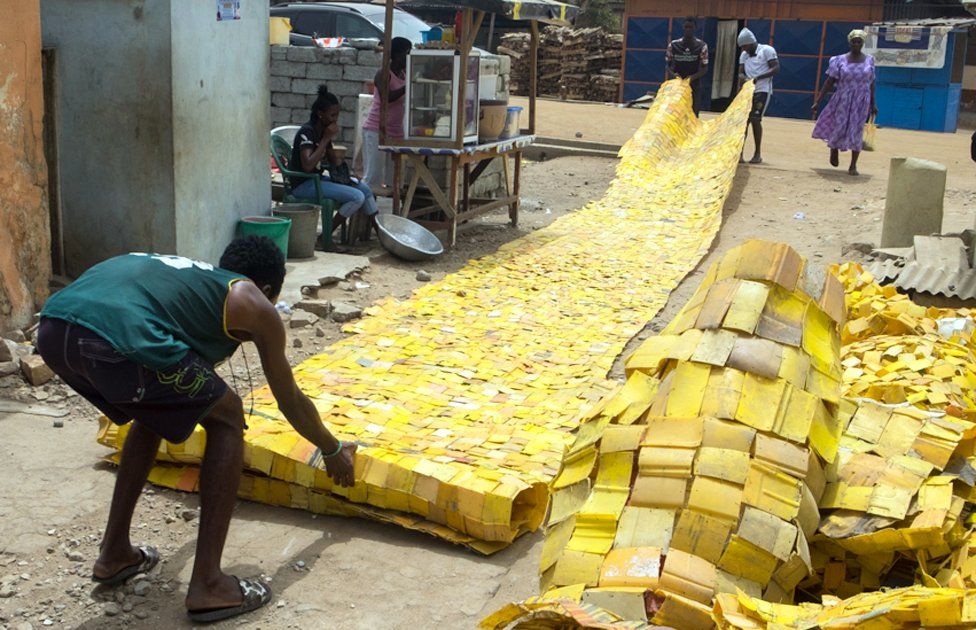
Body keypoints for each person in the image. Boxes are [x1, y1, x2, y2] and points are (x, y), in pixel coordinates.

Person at [35, 237, 357, 623]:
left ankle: (114, 553)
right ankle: (208, 584)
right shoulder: (251, 298)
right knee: (227, 417)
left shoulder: (190, 281)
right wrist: (332, 447)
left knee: (153, 409)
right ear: (268, 289)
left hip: (54, 332)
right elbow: (289, 398)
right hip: (113, 336)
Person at [291, 84, 378, 247]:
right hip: (304, 184)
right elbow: (308, 165)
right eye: (332, 115)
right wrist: (325, 140)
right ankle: (325, 237)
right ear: (320, 114)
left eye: (337, 115)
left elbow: (333, 162)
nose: (335, 120)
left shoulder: (322, 131)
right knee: (356, 197)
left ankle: (381, 231)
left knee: (364, 189)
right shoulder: (307, 132)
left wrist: (346, 177)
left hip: (317, 180)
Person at [811, 30, 877, 176]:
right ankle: (834, 149)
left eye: (859, 41)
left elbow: (871, 83)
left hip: (861, 101)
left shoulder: (869, 60)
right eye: (854, 41)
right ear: (849, 42)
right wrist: (818, 101)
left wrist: (873, 104)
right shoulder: (839, 60)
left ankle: (853, 165)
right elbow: (830, 81)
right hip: (843, 98)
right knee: (839, 125)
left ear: (863, 43)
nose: (856, 44)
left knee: (857, 130)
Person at [362, 37, 412, 191]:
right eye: (407, 53)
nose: (409, 57)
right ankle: (364, 209)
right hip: (376, 129)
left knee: (395, 177)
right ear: (397, 54)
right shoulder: (383, 73)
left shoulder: (404, 73)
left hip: (396, 132)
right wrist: (408, 86)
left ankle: (392, 210)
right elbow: (387, 98)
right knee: (373, 175)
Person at [738, 28, 779, 164]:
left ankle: (757, 154)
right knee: (744, 122)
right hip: (748, 91)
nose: (744, 49)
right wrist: (745, 79)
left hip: (762, 90)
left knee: (755, 120)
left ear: (751, 43)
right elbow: (741, 73)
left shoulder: (766, 50)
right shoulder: (744, 55)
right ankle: (740, 154)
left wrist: (758, 77)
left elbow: (775, 68)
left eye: (745, 46)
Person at [666, 17, 709, 116]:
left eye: (691, 27)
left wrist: (692, 78)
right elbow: (668, 66)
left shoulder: (702, 46)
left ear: (695, 28)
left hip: (694, 86)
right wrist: (674, 76)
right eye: (686, 27)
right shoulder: (673, 45)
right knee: (675, 114)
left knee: (693, 115)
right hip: (677, 86)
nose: (688, 29)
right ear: (683, 28)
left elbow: (704, 68)